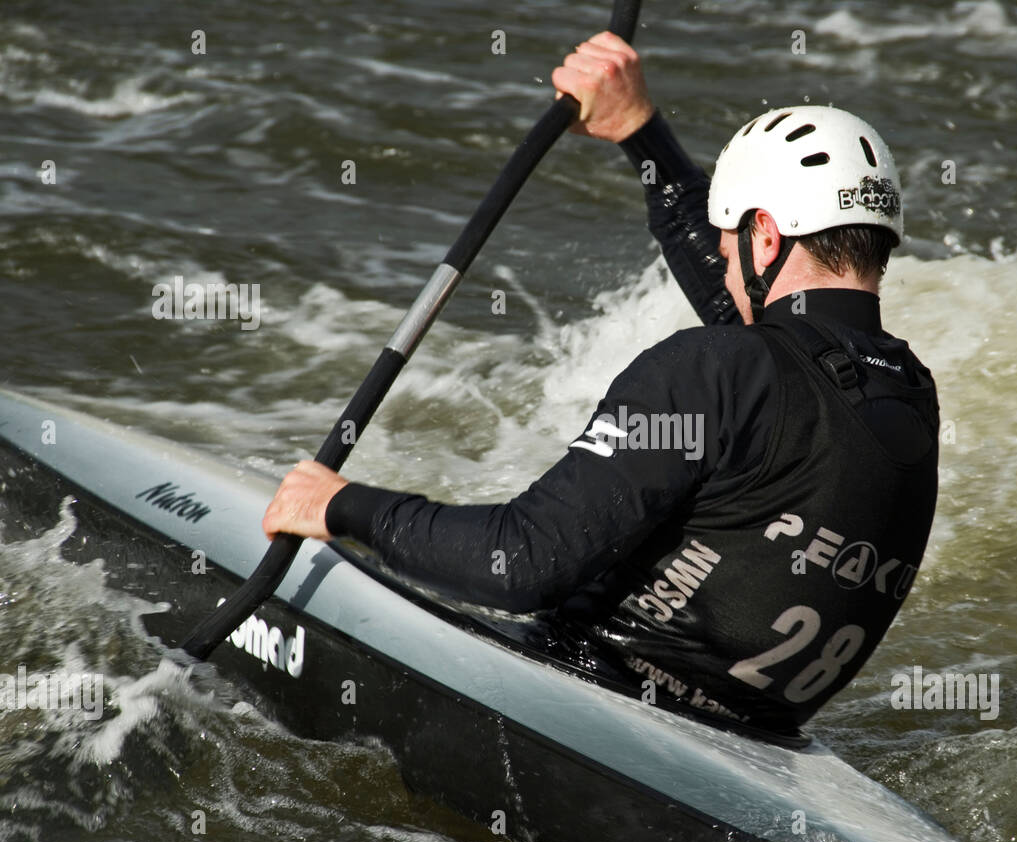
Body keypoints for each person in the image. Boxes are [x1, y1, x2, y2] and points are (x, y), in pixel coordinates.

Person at [263, 32, 940, 734]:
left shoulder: (714, 369)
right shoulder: (909, 392)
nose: (724, 263)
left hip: (590, 696)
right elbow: (763, 347)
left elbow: (522, 563)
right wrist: (638, 132)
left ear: (765, 238)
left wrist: (344, 507)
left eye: (732, 241)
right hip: (751, 738)